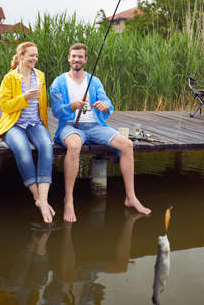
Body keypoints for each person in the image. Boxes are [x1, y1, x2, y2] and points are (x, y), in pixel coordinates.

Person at [50, 42, 151, 222]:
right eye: (73, 56)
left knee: (127, 144)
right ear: (68, 58)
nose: (76, 59)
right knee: (74, 145)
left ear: (86, 60)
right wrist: (71, 106)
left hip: (95, 126)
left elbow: (108, 104)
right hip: (70, 126)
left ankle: (130, 197)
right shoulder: (59, 82)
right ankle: (69, 199)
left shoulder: (94, 81)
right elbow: (57, 111)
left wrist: (105, 107)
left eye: (80, 56)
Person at [0, 42, 55, 223]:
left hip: (35, 123)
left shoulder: (40, 76)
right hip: (15, 125)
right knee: (22, 151)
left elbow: (42, 104)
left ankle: (44, 198)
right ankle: (38, 199)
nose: (34, 58)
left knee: (47, 146)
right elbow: (5, 106)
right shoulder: (10, 78)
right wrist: (24, 98)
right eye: (31, 55)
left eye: (36, 55)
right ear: (20, 56)